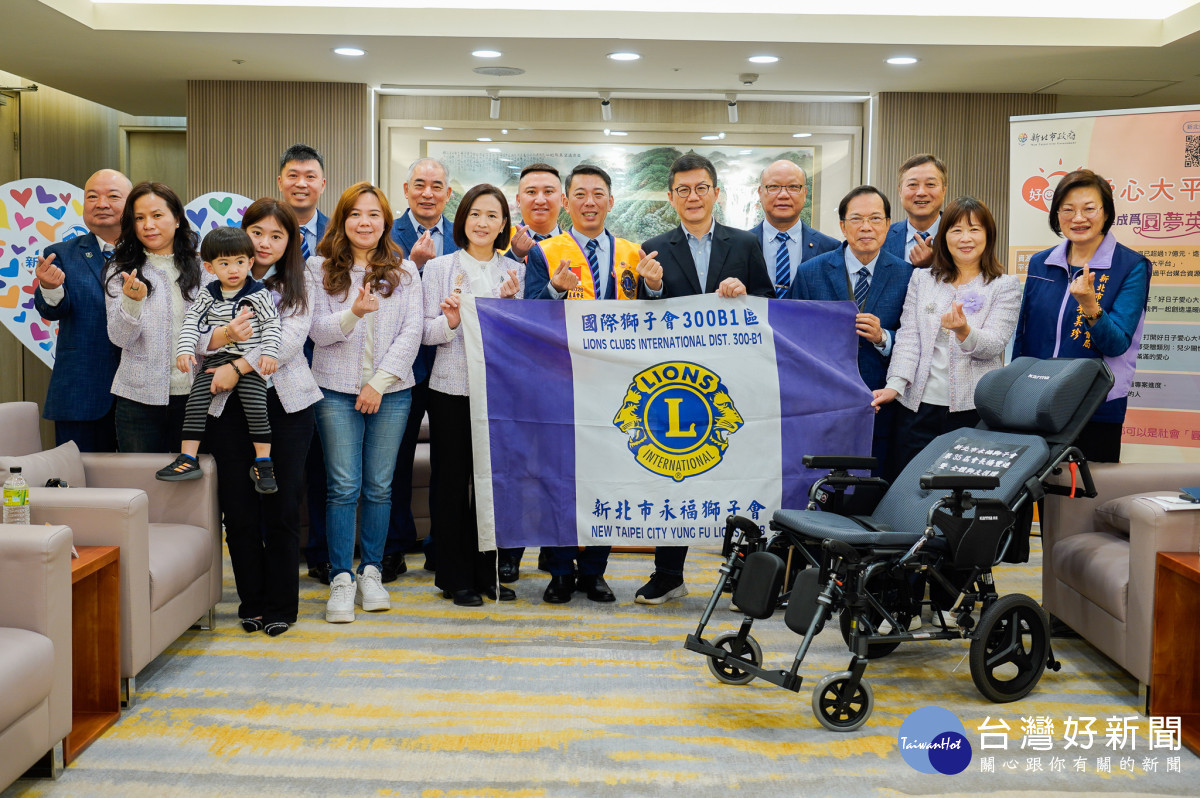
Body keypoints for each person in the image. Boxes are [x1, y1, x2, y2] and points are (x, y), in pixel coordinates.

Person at [635, 153, 773, 605]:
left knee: (737, 475)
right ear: (671, 197)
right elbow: (642, 321)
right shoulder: (654, 246)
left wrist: (745, 294)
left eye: (700, 188)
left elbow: (769, 303)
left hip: (734, 382)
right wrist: (652, 287)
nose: (692, 197)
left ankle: (739, 576)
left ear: (716, 193)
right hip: (676, 385)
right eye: (683, 190)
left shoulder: (745, 244)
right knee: (673, 473)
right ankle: (668, 575)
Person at [524, 164, 663, 605]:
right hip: (561, 382)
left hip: (618, 386)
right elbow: (527, 316)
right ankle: (560, 570)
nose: (589, 202)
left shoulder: (634, 254)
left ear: (611, 201)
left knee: (607, 476)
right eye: (580, 194)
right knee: (561, 477)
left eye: (598, 193)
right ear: (567, 202)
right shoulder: (546, 253)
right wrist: (554, 289)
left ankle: (595, 571)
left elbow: (654, 320)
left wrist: (654, 288)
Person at [205, 198, 322, 637]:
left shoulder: (302, 279)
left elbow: (289, 341)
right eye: (257, 233)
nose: (265, 243)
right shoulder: (216, 279)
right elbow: (199, 337)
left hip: (287, 406)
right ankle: (251, 602)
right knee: (238, 511)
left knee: (282, 508)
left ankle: (281, 605)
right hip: (228, 407)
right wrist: (221, 339)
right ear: (244, 232)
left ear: (290, 241)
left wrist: (236, 366)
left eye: (277, 235)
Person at [308, 182, 423, 623]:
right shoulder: (318, 268)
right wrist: (354, 312)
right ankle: (341, 577)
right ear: (342, 220)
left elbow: (412, 333)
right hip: (334, 390)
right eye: (355, 213)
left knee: (379, 486)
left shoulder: (405, 271)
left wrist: (378, 382)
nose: (364, 222)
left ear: (385, 222)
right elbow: (317, 332)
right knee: (342, 486)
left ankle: (371, 570)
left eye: (374, 214)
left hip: (391, 391)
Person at [422, 183, 524, 607]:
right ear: (462, 218)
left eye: (492, 216)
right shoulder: (439, 268)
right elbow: (424, 333)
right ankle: (454, 576)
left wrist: (508, 308)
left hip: (499, 393)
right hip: (451, 388)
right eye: (475, 214)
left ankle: (487, 573)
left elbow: (521, 339)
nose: (482, 223)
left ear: (503, 225)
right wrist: (449, 321)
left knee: (492, 485)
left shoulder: (514, 271)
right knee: (451, 482)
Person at [870, 197, 1021, 481]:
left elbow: (994, 344)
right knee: (909, 485)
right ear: (944, 236)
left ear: (988, 235)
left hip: (972, 409)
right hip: (916, 407)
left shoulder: (1004, 286)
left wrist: (964, 331)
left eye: (974, 229)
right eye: (956, 230)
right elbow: (909, 338)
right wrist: (895, 385)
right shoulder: (922, 280)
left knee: (962, 491)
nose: (965, 238)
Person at [1012, 169, 1151, 463]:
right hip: (1035, 400)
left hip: (1095, 406)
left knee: (1087, 489)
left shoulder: (1131, 266)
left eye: (1089, 209)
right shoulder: (1040, 263)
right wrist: (1015, 386)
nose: (1078, 218)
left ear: (1106, 213)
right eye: (1068, 209)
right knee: (1032, 487)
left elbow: (1116, 344)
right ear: (1056, 214)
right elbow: (1023, 334)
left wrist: (1090, 306)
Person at [789, 186, 914, 473]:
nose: (866, 227)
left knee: (876, 483)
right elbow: (795, 338)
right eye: (856, 219)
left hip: (882, 401)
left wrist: (883, 338)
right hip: (823, 403)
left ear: (888, 225)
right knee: (823, 482)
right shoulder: (810, 272)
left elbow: (915, 339)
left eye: (875, 219)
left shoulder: (907, 275)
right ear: (843, 226)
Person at [156, 227, 282, 492]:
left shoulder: (259, 293)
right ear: (209, 267)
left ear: (250, 262)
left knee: (256, 407)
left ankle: (263, 462)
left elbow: (272, 324)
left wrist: (269, 353)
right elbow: (192, 322)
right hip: (216, 359)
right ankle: (188, 458)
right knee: (195, 401)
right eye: (224, 263)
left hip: (249, 362)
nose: (233, 269)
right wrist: (184, 350)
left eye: (239, 262)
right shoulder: (208, 293)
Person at [384, 157, 460, 582]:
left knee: (449, 463)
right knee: (395, 460)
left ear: (448, 193)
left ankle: (440, 547)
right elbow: (378, 296)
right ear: (406, 190)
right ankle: (394, 547)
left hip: (452, 366)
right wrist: (411, 266)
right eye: (419, 184)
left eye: (436, 186)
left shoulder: (464, 234)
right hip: (404, 365)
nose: (427, 193)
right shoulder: (385, 234)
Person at [496, 162, 565, 582]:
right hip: (514, 378)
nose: (540, 199)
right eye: (531, 192)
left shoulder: (578, 250)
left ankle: (556, 559)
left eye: (549, 191)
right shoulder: (498, 248)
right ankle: (510, 553)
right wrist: (514, 258)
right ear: (517, 200)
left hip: (564, 377)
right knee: (515, 468)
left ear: (563, 200)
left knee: (559, 468)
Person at [104, 181, 207, 453]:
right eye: (139, 218)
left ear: (177, 219)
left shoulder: (202, 268)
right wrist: (132, 302)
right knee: (140, 475)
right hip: (137, 399)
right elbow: (119, 338)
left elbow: (211, 330)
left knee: (193, 476)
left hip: (196, 397)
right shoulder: (120, 270)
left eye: (157, 215)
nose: (148, 225)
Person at [35, 168, 132, 452]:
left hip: (143, 396)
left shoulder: (152, 253)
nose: (101, 204)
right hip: (82, 392)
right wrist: (50, 287)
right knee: (78, 475)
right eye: (92, 196)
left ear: (132, 204)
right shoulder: (61, 253)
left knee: (144, 472)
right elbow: (52, 310)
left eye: (112, 196)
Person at [277, 144, 333, 585]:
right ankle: (279, 550)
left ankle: (321, 552)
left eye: (310, 176)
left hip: (330, 365)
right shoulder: (261, 229)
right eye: (293, 175)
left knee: (322, 468)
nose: (301, 184)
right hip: (274, 369)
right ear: (280, 181)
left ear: (322, 184)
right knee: (280, 468)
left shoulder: (341, 232)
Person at [748, 160, 838, 297]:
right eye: (773, 186)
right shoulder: (739, 246)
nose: (783, 195)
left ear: (804, 193)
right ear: (760, 192)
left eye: (793, 187)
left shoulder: (830, 248)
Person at [883, 154, 947, 268]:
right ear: (900, 191)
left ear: (944, 190)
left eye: (930, 184)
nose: (921, 192)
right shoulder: (882, 238)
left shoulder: (961, 237)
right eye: (912, 184)